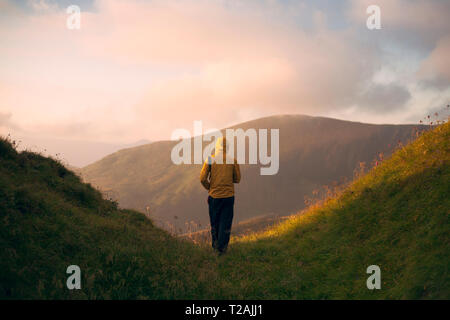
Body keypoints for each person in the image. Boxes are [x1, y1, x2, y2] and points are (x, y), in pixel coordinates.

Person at [200, 136, 241, 255]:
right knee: (225, 223)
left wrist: (210, 187)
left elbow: (202, 178)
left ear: (216, 147)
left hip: (214, 197)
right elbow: (237, 179)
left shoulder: (210, 159)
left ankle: (215, 248)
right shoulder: (232, 160)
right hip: (228, 197)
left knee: (215, 223)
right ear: (227, 147)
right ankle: (223, 251)